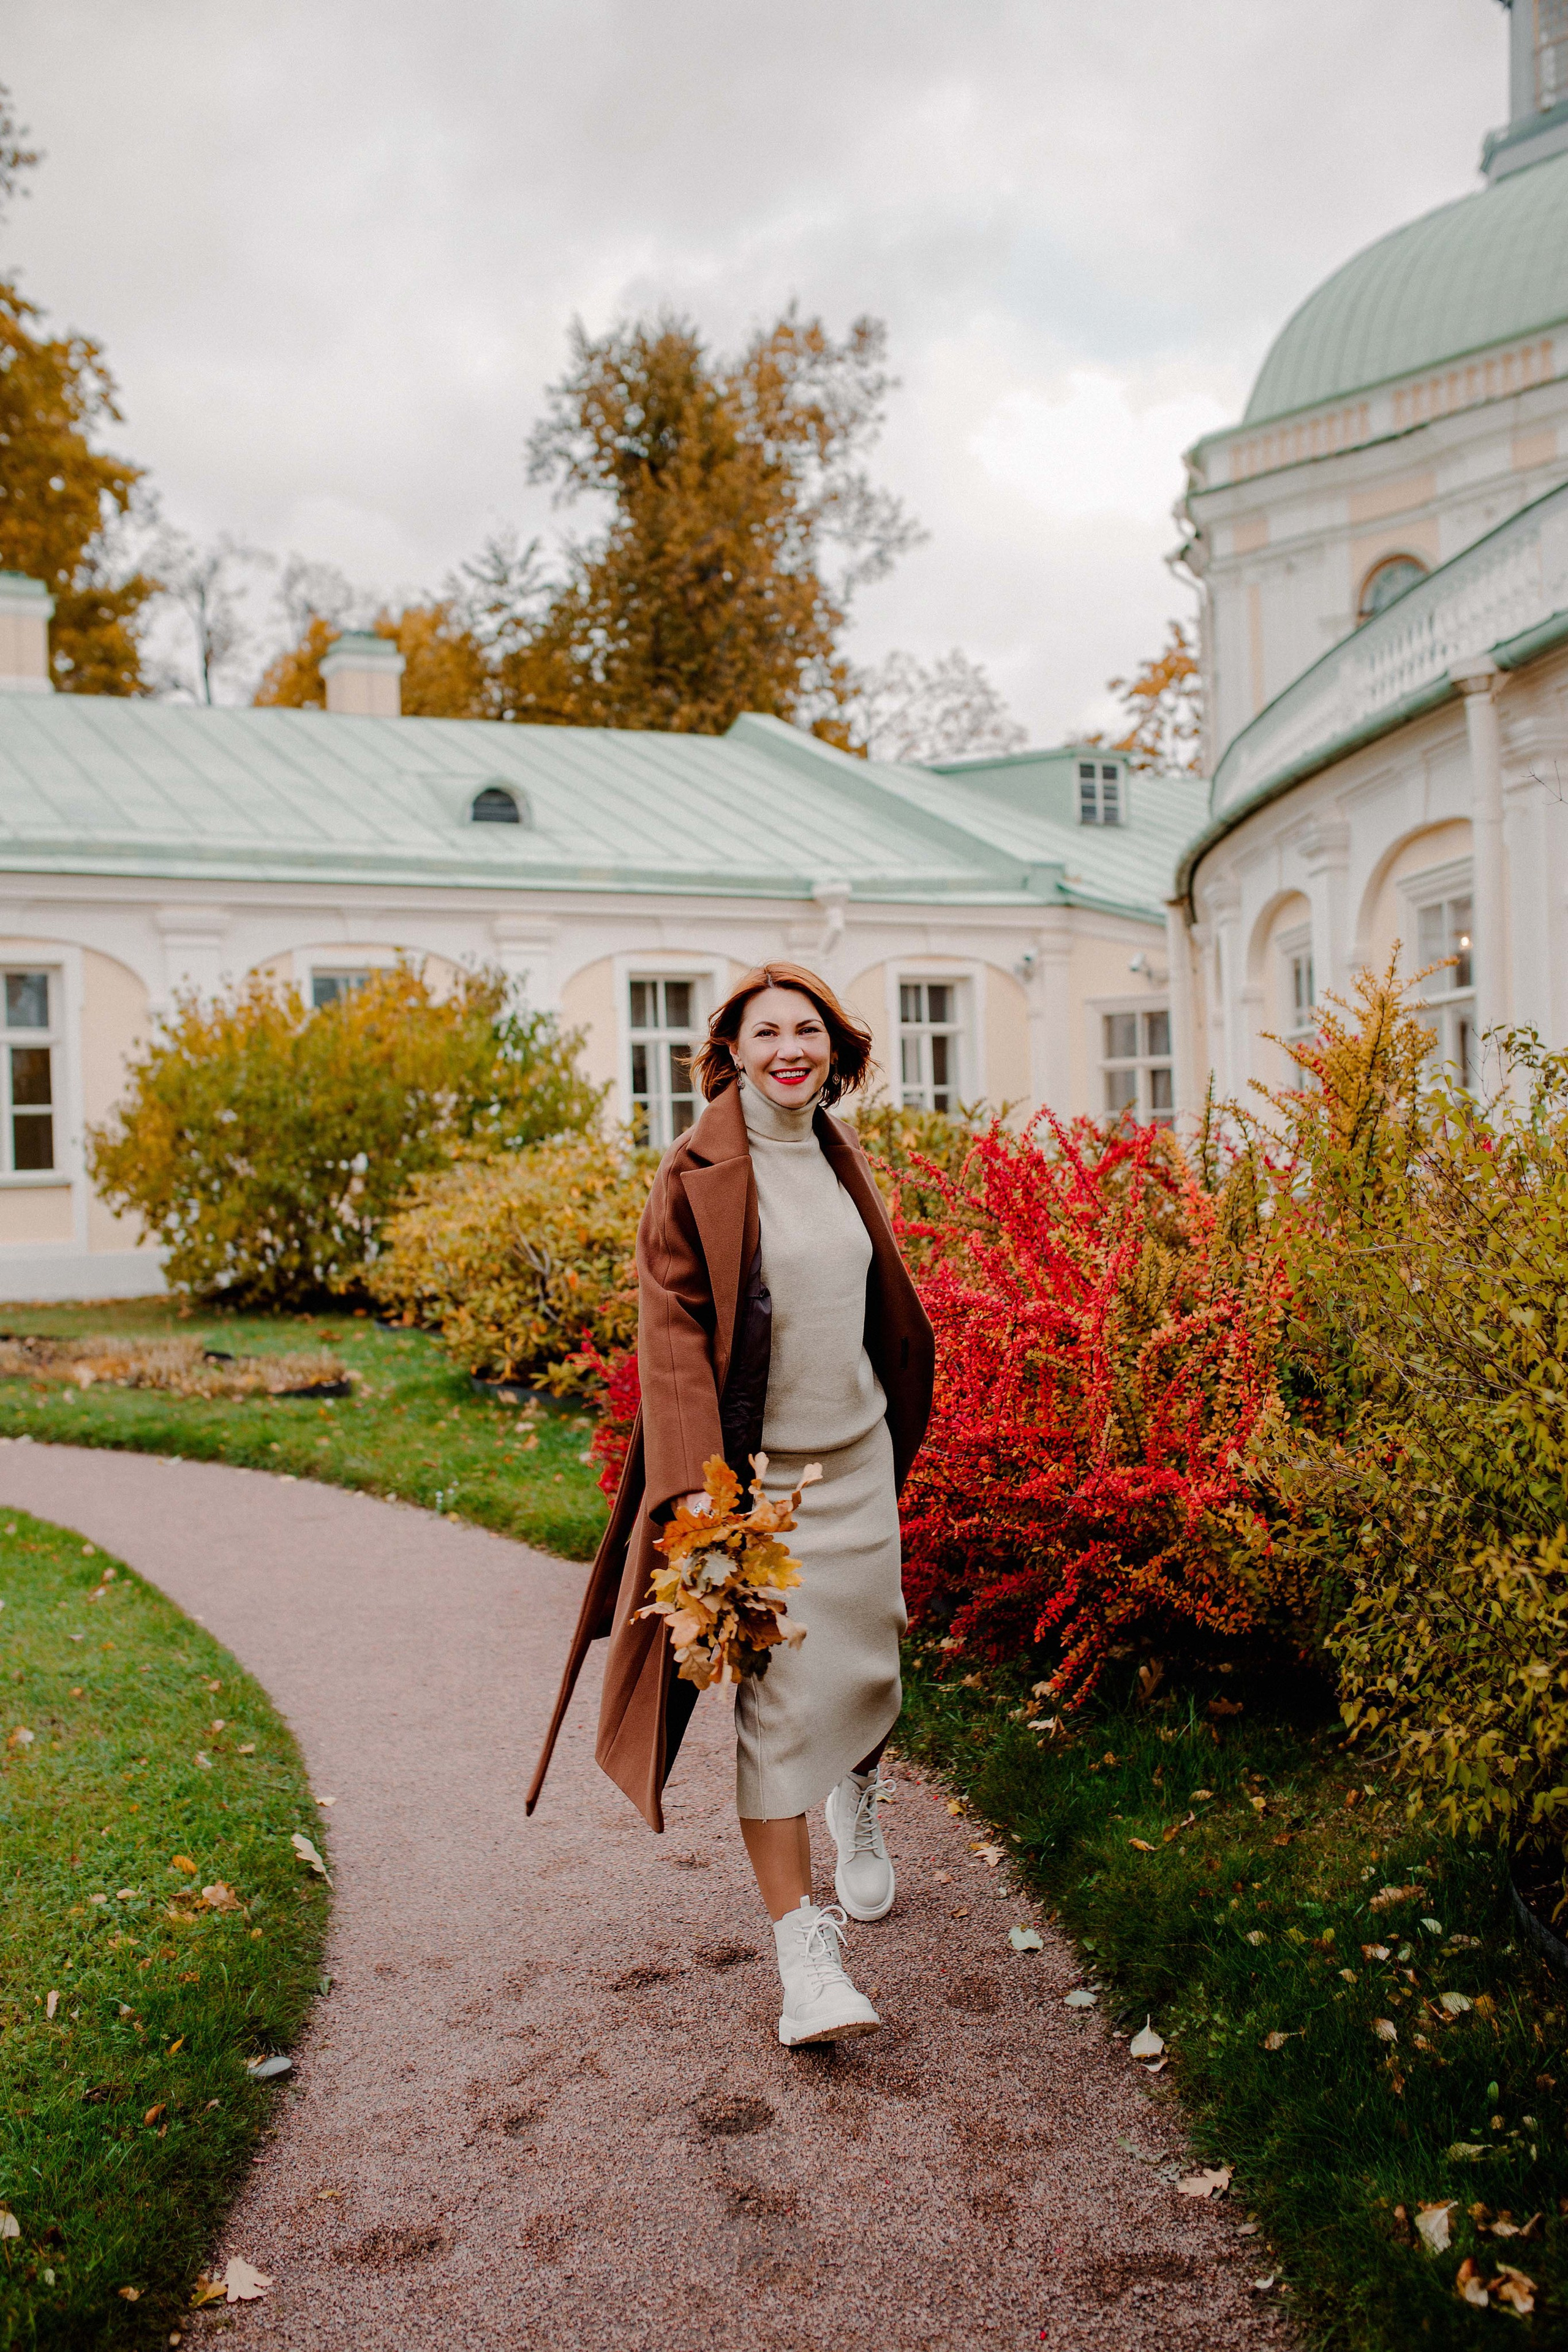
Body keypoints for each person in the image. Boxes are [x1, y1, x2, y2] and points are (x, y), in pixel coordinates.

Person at [527, 962, 933, 2046]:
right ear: (734, 1050)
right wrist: (714, 1509)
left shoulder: (844, 1158)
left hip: (859, 1466)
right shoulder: (696, 1173)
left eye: (809, 1031)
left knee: (871, 1663)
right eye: (768, 1033)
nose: (789, 1048)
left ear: (833, 1051)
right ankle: (804, 1960)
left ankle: (857, 1790)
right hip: (762, 1492)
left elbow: (877, 1312)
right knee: (776, 1706)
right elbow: (672, 1349)